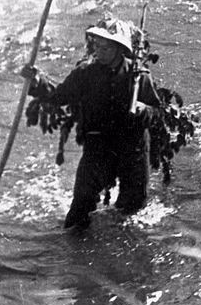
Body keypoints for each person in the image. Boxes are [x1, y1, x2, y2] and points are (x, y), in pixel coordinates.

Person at [21, 18, 161, 229]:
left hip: (133, 148)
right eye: (97, 46)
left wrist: (143, 110)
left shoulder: (139, 77)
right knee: (80, 207)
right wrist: (37, 81)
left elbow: (157, 112)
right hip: (98, 145)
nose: (100, 52)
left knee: (132, 211)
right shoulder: (85, 74)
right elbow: (59, 96)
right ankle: (74, 255)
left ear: (119, 50)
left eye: (106, 47)